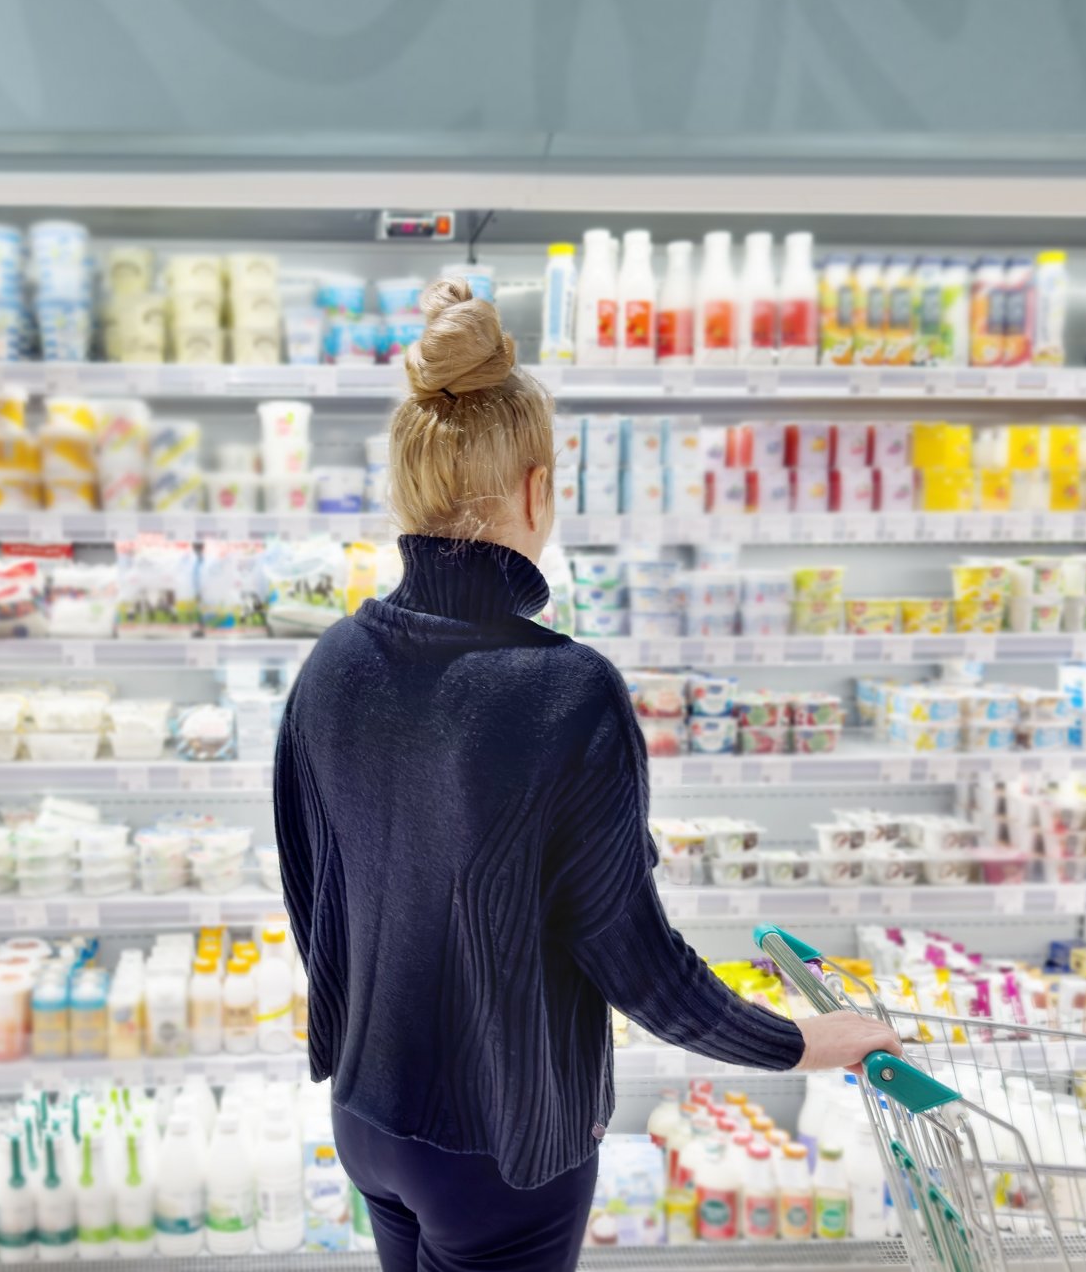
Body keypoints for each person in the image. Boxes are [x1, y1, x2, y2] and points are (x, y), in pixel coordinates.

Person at [273, 278, 901, 1271]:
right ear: (535, 491)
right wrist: (797, 1043)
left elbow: (313, 898)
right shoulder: (566, 690)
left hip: (366, 1119)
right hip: (503, 1149)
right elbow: (635, 961)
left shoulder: (331, 663)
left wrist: (361, 1054)